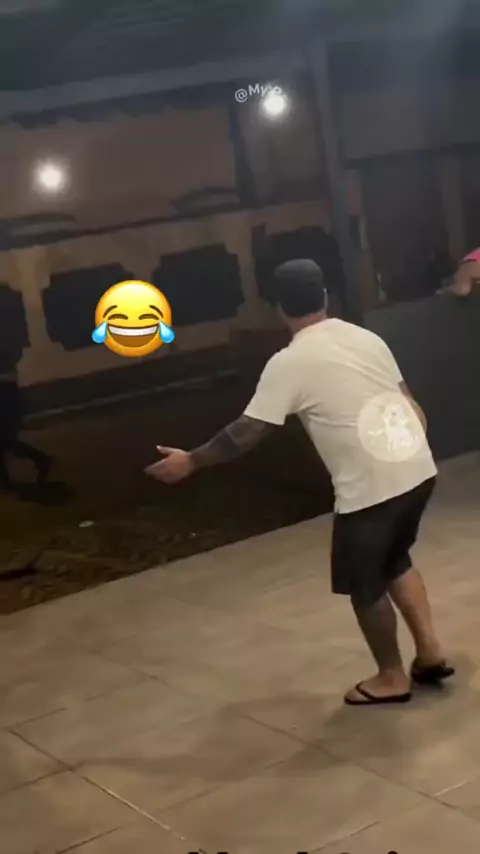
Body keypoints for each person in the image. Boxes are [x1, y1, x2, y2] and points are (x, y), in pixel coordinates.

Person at [146, 259, 453, 706]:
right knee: (395, 560)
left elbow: (247, 431)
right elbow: (410, 403)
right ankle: (430, 653)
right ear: (325, 295)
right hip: (417, 470)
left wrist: (192, 461)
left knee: (365, 584)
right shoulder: (365, 337)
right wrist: (411, 458)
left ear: (278, 308)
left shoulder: (288, 362)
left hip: (371, 488)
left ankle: (391, 677)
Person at [0, 350, 52, 492]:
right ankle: (5, 481)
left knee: (7, 441)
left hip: (5, 396)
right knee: (4, 442)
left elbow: (9, 375)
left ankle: (42, 460)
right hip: (7, 395)